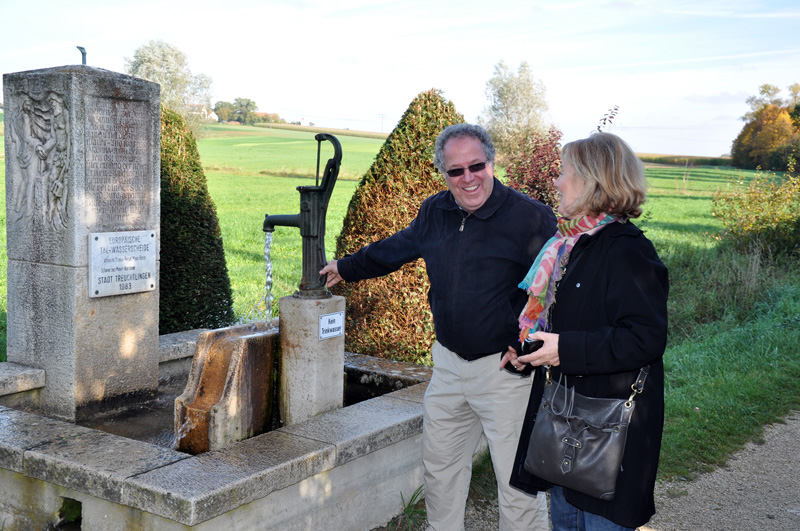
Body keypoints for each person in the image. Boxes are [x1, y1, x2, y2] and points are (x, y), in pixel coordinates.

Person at [320, 123, 556, 530]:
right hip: (447, 366)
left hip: (505, 371)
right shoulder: (435, 211)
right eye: (456, 171)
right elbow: (397, 247)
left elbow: (556, 288)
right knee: (440, 475)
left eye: (476, 166)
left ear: (491, 162)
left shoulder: (531, 218)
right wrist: (346, 266)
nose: (468, 178)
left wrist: (533, 346)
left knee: (518, 487)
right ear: (444, 174)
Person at [502, 132, 669, 530]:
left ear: (595, 180)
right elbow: (568, 321)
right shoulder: (569, 245)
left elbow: (645, 338)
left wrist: (565, 350)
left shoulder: (628, 250)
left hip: (608, 439)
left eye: (564, 173)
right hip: (566, 431)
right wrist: (530, 351)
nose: (557, 182)